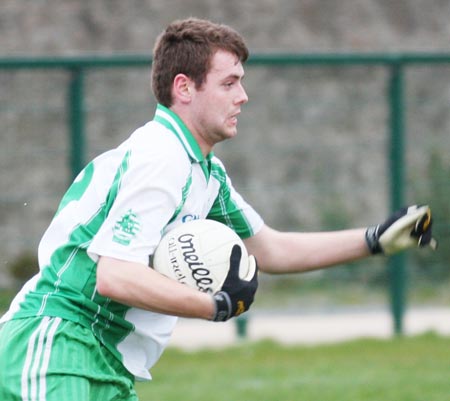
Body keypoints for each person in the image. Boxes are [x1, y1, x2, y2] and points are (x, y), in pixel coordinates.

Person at [0, 17, 436, 401]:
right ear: (184, 87)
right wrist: (214, 306)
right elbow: (115, 275)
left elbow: (269, 249)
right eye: (229, 83)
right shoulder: (162, 156)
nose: (243, 96)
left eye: (241, 82)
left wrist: (373, 239)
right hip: (58, 340)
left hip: (104, 359)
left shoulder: (205, 172)